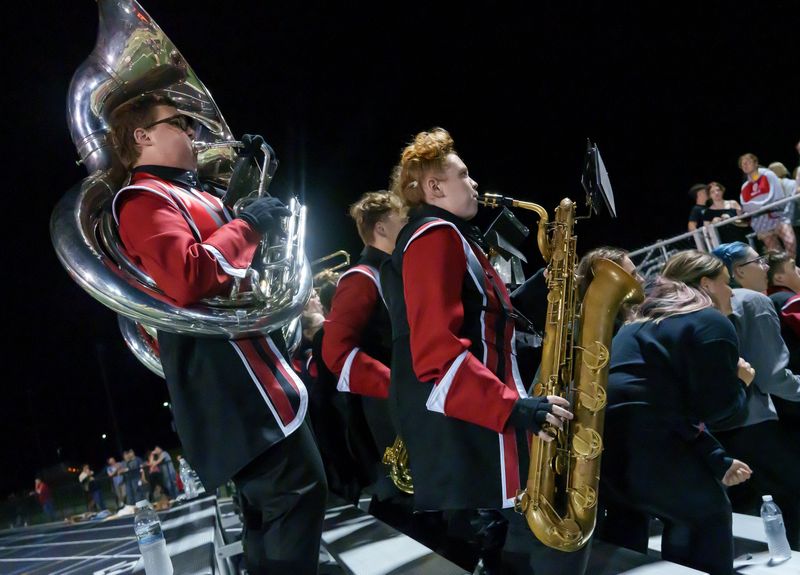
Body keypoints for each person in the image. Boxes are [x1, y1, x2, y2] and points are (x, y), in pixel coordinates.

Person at [108, 93, 326, 573]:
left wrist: (248, 180)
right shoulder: (142, 198)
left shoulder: (189, 191)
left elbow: (226, 239)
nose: (192, 132)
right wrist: (248, 224)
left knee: (272, 513)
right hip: (231, 381)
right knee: (297, 495)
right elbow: (188, 276)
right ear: (142, 136)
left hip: (252, 370)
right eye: (179, 123)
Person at [380, 127, 581, 575]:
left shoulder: (450, 236)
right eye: (463, 175)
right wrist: (515, 408)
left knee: (532, 538)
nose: (474, 184)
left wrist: (551, 284)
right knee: (548, 542)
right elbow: (435, 353)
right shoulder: (435, 236)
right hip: (486, 419)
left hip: (489, 413)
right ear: (434, 187)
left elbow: (487, 317)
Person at [604, 260, 753, 575]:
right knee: (708, 515)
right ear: (707, 285)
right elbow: (720, 413)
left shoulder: (638, 324)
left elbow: (664, 405)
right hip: (652, 446)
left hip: (607, 451)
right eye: (726, 281)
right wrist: (742, 382)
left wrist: (717, 459)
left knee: (677, 520)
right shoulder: (710, 322)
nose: (732, 290)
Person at [320, 191, 415, 532]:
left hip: (410, 406)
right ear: (380, 228)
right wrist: (397, 385)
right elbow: (337, 353)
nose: (408, 224)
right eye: (401, 220)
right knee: (410, 513)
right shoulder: (360, 278)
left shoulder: (393, 273)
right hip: (390, 416)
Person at [705, 242, 800, 548]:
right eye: (759, 261)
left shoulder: (706, 307)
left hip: (722, 428)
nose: (765, 268)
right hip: (758, 424)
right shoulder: (755, 301)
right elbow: (772, 375)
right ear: (738, 271)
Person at [738, 153, 796, 254]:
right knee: (775, 252)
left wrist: (758, 206)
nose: (745, 165)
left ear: (756, 163)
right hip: (761, 222)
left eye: (748, 162)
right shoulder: (745, 186)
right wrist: (758, 207)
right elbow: (746, 205)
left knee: (790, 243)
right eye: (743, 164)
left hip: (778, 216)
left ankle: (793, 266)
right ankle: (786, 269)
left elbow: (777, 195)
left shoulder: (768, 175)